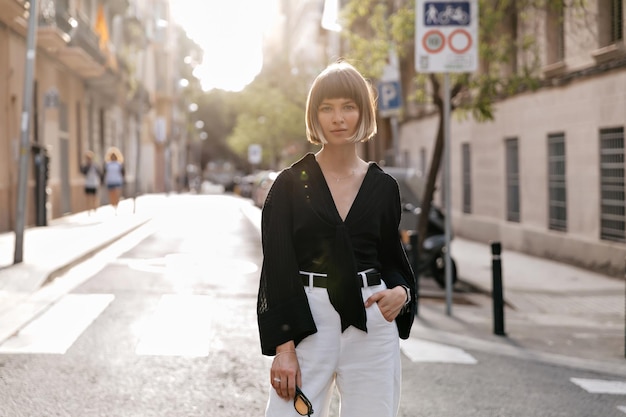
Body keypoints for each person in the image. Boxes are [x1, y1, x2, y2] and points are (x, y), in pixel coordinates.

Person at [257, 61, 417, 417]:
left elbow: (394, 261)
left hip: (372, 323)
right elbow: (277, 269)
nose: (338, 118)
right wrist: (284, 348)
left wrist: (401, 293)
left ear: (363, 113)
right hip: (306, 320)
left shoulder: (383, 187)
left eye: (348, 106)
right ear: (314, 116)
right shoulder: (289, 185)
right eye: (326, 108)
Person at [103, 147, 125, 213]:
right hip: (110, 181)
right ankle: (113, 206)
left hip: (117, 181)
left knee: (117, 194)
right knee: (111, 194)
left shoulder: (119, 164)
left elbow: (123, 173)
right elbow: (104, 173)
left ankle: (116, 205)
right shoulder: (107, 164)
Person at [80, 151, 102, 215]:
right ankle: (88, 209)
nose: (88, 160)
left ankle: (95, 208)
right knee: (88, 198)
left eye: (89, 158)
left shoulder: (95, 166)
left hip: (94, 183)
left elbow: (99, 174)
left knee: (95, 197)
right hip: (88, 184)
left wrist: (100, 182)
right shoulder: (85, 166)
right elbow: (83, 172)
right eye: (87, 158)